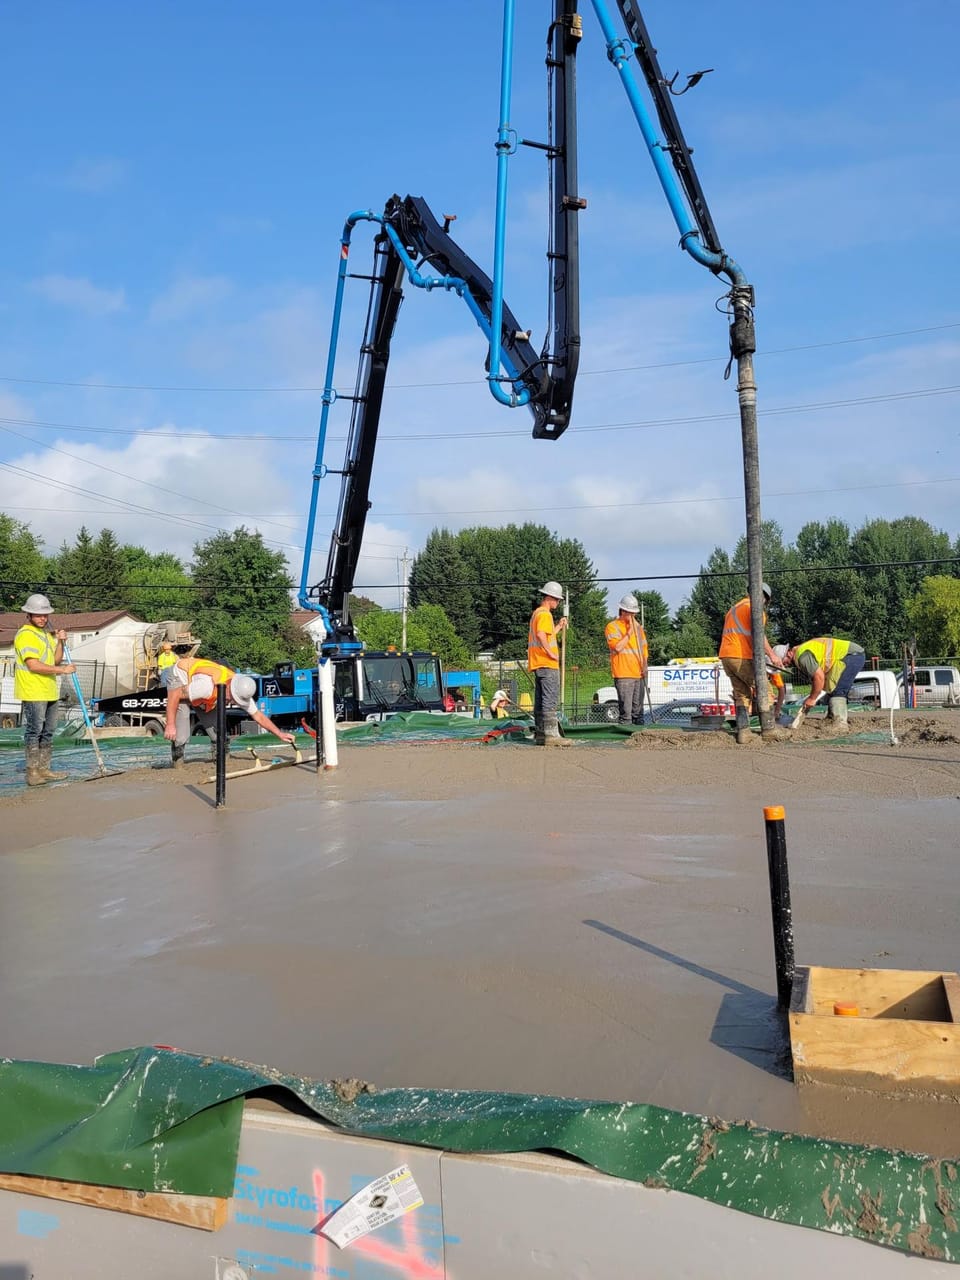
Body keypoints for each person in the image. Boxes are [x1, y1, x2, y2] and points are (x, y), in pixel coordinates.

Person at [163, 655, 295, 768]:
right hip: (180, 677)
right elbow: (174, 695)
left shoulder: (241, 688)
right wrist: (170, 724)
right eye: (232, 698)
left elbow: (258, 716)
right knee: (181, 734)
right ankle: (178, 763)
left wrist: (279, 734)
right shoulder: (206, 687)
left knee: (217, 734)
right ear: (228, 688)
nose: (231, 702)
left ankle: (221, 763)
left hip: (201, 690)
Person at [14, 593, 75, 786]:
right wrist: (62, 670)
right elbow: (33, 665)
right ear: (29, 615)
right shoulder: (25, 635)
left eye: (45, 615)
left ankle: (44, 769)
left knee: (48, 731)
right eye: (38, 615)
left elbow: (55, 660)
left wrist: (61, 642)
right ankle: (33, 773)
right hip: (33, 691)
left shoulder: (44, 635)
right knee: (34, 731)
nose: (43, 618)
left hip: (49, 690)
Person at [718, 582, 782, 744]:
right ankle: (769, 729)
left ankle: (744, 732)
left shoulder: (734, 608)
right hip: (741, 656)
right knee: (764, 689)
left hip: (726, 656)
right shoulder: (754, 609)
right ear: (764, 598)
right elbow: (759, 635)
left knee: (741, 694)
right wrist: (773, 655)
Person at [781, 637, 866, 728]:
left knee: (839, 689)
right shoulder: (801, 651)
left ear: (788, 653)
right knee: (831, 688)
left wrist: (812, 698)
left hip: (851, 655)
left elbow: (819, 677)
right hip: (846, 655)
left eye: (783, 661)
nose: (784, 665)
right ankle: (831, 718)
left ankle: (840, 724)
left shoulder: (802, 656)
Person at [527, 581, 570, 746]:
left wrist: (559, 626)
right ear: (550, 598)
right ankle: (551, 736)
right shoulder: (545, 614)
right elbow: (541, 635)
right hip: (547, 663)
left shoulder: (537, 614)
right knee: (549, 700)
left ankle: (540, 734)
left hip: (539, 664)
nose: (558, 603)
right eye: (557, 600)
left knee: (540, 701)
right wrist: (552, 653)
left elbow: (548, 634)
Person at [604, 594, 649, 727]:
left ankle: (640, 740)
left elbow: (644, 649)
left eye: (635, 613)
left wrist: (645, 667)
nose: (633, 616)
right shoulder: (612, 627)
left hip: (639, 674)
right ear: (623, 611)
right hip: (623, 674)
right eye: (631, 613)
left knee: (638, 712)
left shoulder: (639, 629)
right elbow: (617, 647)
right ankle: (625, 739)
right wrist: (629, 632)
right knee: (626, 713)